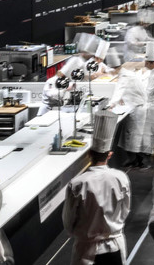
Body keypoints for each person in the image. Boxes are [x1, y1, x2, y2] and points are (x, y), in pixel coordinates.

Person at [63, 110, 131, 265]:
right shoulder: (121, 178)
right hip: (115, 247)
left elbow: (69, 220)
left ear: (89, 154)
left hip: (86, 250)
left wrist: (78, 233)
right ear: (110, 155)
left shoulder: (77, 183)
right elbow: (125, 210)